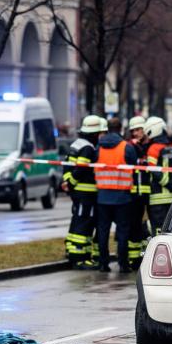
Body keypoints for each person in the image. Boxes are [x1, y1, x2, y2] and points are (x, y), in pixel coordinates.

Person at [94, 116, 138, 273]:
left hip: (103, 197)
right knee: (122, 232)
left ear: (107, 128)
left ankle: (103, 264)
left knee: (103, 231)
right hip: (122, 197)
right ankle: (123, 264)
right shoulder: (126, 147)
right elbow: (134, 165)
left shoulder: (98, 147)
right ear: (120, 129)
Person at [62, 115, 104, 270]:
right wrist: (72, 182)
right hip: (85, 193)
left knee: (77, 220)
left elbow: (67, 166)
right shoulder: (87, 148)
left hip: (78, 193)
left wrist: (67, 182)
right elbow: (81, 168)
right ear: (94, 133)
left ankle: (72, 250)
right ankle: (80, 258)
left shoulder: (76, 144)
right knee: (84, 222)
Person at [144, 117, 172, 234]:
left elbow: (154, 171)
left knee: (158, 230)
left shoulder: (153, 148)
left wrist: (171, 185)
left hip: (157, 199)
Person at [125, 116, 150, 270]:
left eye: (138, 130)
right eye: (133, 130)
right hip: (134, 194)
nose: (136, 133)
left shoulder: (150, 145)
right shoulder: (130, 147)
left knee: (146, 227)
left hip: (149, 193)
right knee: (134, 226)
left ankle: (144, 256)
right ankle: (134, 259)